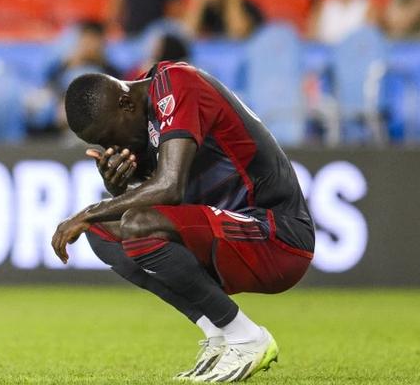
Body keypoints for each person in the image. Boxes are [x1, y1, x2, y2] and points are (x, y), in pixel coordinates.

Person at [52, 64, 314, 382]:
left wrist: (88, 211)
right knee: (101, 231)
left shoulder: (176, 85)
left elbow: (170, 186)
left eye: (109, 136)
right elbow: (163, 203)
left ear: (125, 103)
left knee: (120, 222)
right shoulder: (143, 115)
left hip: (278, 235)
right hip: (226, 233)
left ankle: (247, 339)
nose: (112, 147)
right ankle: (218, 334)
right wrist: (117, 189)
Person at [49, 20, 121, 92]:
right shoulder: (67, 65)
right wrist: (68, 65)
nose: (89, 46)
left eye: (93, 42)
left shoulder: (109, 69)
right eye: (86, 40)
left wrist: (100, 63)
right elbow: (52, 86)